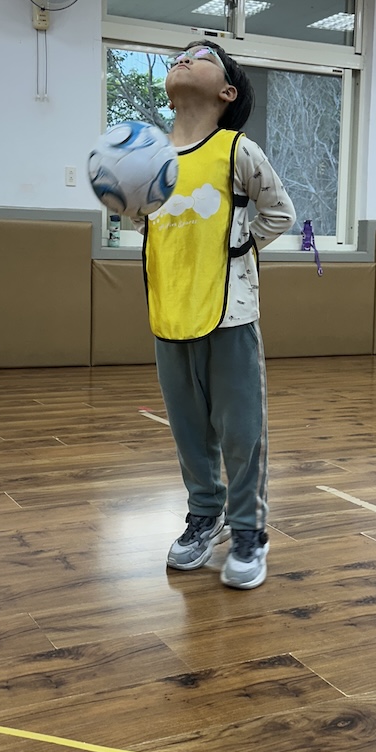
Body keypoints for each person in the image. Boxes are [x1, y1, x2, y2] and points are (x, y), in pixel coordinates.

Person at [144, 41, 295, 590]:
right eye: (180, 55)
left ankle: (250, 529)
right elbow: (147, 222)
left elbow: (280, 212)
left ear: (227, 92)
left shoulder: (237, 149)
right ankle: (205, 516)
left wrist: (239, 245)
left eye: (202, 55)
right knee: (188, 432)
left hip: (230, 316)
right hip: (170, 315)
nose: (184, 58)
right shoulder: (150, 158)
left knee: (240, 432)